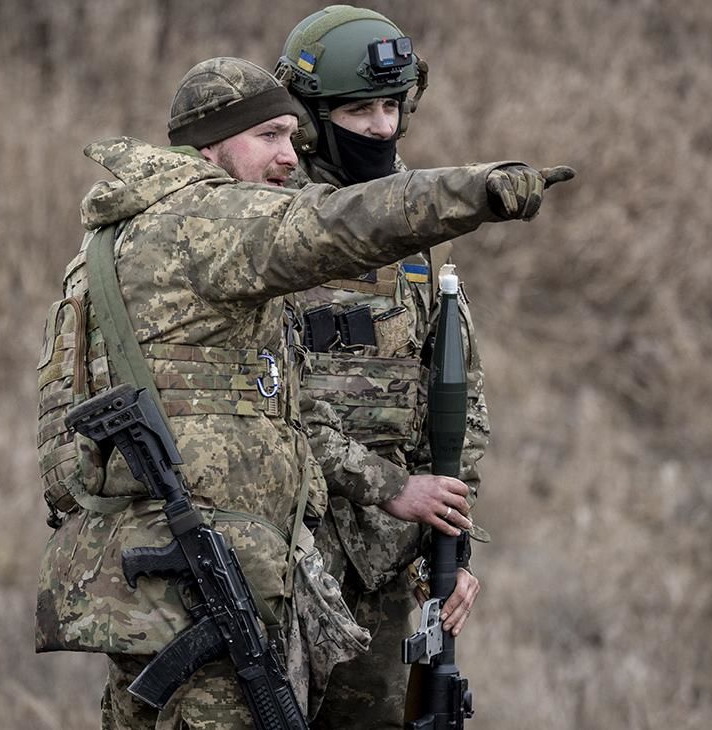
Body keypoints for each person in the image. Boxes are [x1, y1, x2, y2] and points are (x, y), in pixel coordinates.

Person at [34, 56, 570, 729]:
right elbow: (344, 223)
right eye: (269, 137)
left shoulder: (108, 245)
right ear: (210, 147)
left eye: (293, 136)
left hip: (155, 578)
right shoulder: (208, 225)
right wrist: (479, 191)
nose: (290, 158)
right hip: (201, 580)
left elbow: (62, 451)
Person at [272, 6, 504, 726]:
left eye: (390, 106)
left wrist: (450, 548)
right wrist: (392, 486)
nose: (380, 126)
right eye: (358, 109)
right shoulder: (262, 226)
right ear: (309, 119)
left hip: (380, 573)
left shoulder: (410, 222)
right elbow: (257, 407)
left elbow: (454, 399)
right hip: (278, 555)